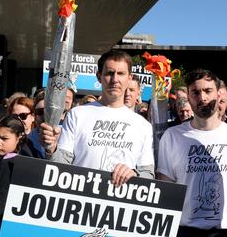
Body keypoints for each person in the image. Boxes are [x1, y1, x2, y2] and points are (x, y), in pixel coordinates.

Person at [157, 69, 227, 236]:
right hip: (184, 231)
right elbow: (166, 185)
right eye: (195, 92)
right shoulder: (172, 136)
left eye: (207, 91)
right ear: (188, 97)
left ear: (219, 95)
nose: (202, 98)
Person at [43, 50, 155, 184]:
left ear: (129, 78)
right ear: (99, 76)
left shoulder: (143, 126)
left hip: (121, 202)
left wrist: (134, 174)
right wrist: (52, 149)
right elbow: (61, 166)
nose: (115, 80)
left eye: (121, 74)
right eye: (109, 73)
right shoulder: (77, 114)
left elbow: (148, 174)